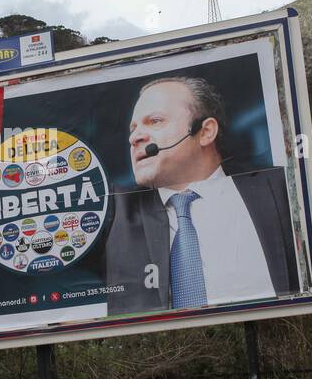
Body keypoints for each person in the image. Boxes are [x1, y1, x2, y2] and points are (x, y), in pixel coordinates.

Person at [103, 76, 298, 315]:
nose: (134, 138)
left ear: (205, 132)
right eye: (133, 129)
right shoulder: (112, 209)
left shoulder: (279, 187)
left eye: (154, 121)